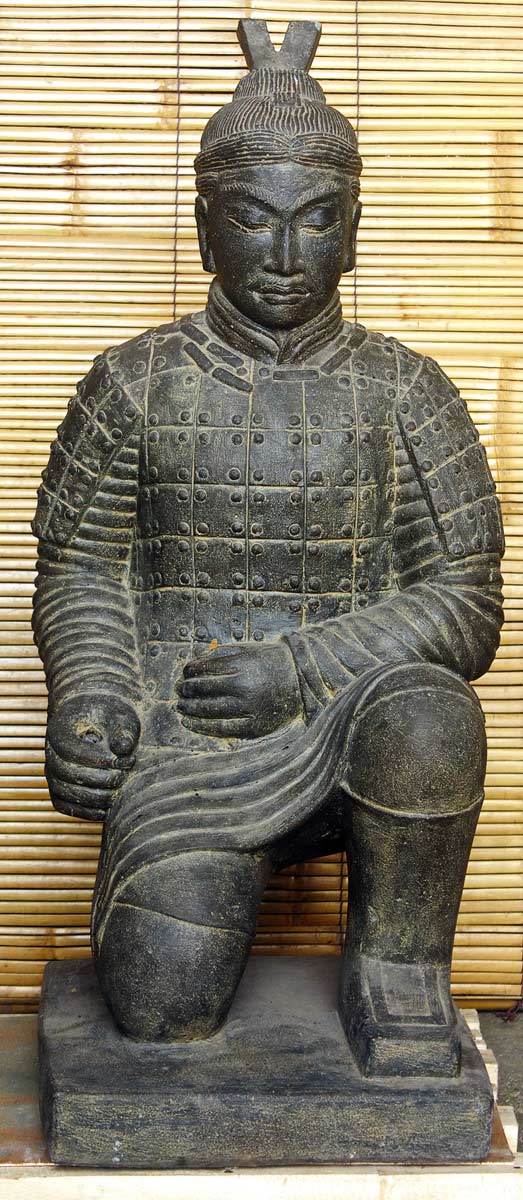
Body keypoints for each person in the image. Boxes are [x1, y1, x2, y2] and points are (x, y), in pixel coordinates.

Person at [32, 19, 504, 1076]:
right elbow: (83, 570)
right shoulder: (133, 382)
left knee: (432, 713)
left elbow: (465, 601)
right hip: (189, 741)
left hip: (358, 727)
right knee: (160, 1011)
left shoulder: (406, 391)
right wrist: (94, 699)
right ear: (206, 226)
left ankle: (398, 969)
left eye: (315, 221)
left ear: (353, 229)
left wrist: (299, 668)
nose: (286, 257)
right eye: (252, 219)